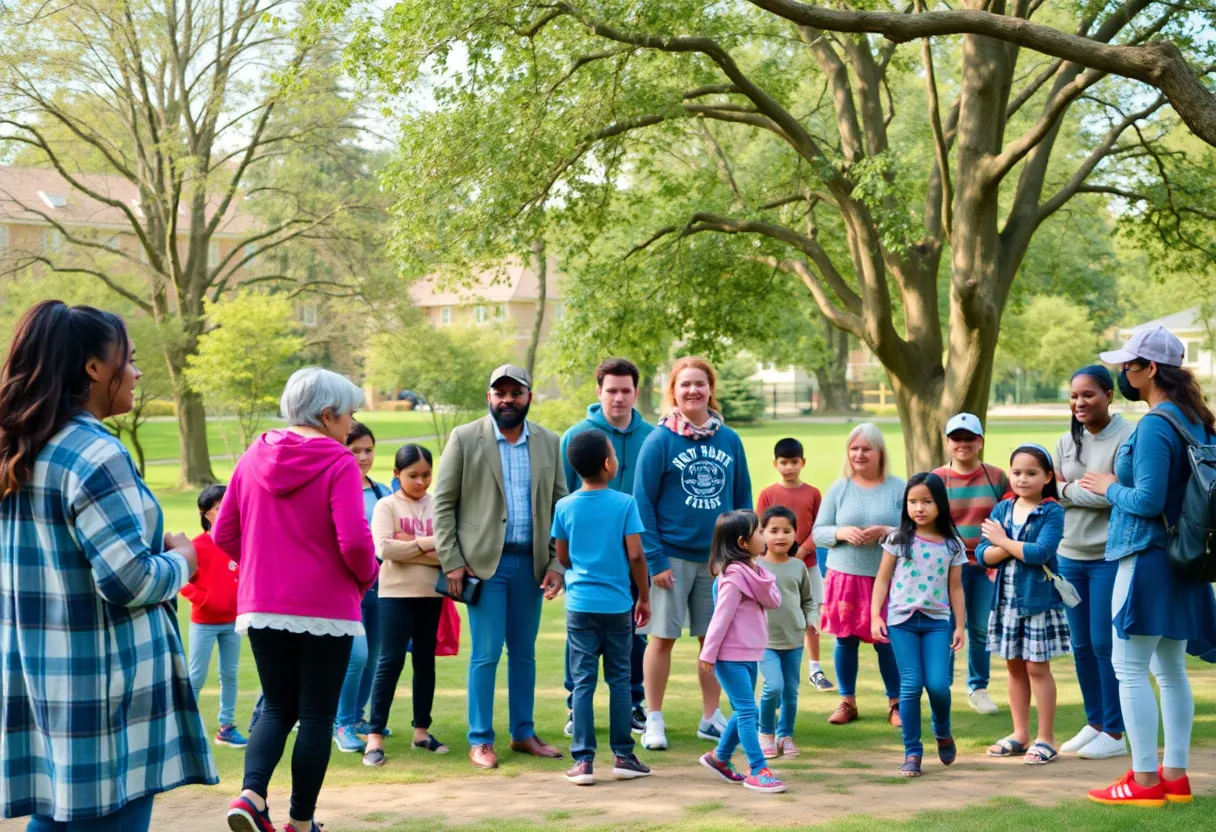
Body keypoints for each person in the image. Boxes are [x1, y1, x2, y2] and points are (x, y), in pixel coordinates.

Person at [0, 301, 217, 830]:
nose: (138, 372)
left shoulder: (23, 449)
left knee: (57, 818)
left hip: (45, 677)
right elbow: (129, 580)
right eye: (131, 359)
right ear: (94, 369)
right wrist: (183, 559)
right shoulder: (96, 455)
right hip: (106, 689)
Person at [216, 367, 379, 832]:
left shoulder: (252, 455)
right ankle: (300, 822)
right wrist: (367, 576)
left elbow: (225, 532)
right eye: (349, 415)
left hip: (262, 605)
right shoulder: (339, 461)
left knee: (276, 706)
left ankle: (250, 795)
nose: (352, 425)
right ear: (327, 414)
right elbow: (353, 541)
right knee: (316, 716)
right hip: (326, 607)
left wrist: (265, 566)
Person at [1083, 327, 1216, 807]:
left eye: (1129, 365)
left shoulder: (1158, 423)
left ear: (1150, 369)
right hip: (1186, 561)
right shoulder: (1197, 420)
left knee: (1129, 668)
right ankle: (1174, 777)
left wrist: (1106, 486)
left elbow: (1147, 499)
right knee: (1172, 669)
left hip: (1148, 558)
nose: (1124, 372)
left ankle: (1142, 781)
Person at [433, 363, 567, 770]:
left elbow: (561, 507)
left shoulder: (549, 441)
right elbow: (442, 504)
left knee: (524, 654)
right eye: (500, 393)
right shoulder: (464, 437)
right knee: (486, 654)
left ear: (529, 397)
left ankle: (523, 733)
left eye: (516, 392)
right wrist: (453, 561)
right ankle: (481, 740)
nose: (507, 399)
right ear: (490, 397)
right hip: (482, 568)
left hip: (530, 566)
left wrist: (556, 564)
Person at [634, 356, 752, 751]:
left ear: (710, 389)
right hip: (672, 558)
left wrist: (741, 555)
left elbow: (742, 500)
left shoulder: (729, 439)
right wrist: (656, 560)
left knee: (713, 642)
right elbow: (642, 504)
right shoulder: (660, 440)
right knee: (661, 638)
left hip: (719, 562)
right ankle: (653, 719)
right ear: (674, 391)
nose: (693, 391)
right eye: (685, 385)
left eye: (699, 384)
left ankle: (709, 717)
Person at [560, 358, 654, 737]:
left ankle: (633, 702)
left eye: (625, 391)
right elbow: (564, 497)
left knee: (636, 632)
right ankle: (575, 707)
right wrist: (562, 563)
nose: (618, 398)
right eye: (611, 390)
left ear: (636, 393)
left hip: (636, 554)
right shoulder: (577, 436)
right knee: (580, 636)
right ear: (599, 392)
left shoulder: (652, 436)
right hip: (589, 560)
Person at [555, 430, 653, 786]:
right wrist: (643, 596)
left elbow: (562, 556)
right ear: (609, 463)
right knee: (619, 680)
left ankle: (583, 761)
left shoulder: (564, 506)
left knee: (583, 682)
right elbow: (637, 554)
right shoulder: (625, 504)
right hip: (617, 606)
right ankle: (624, 755)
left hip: (580, 605)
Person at [1054, 366, 1134, 761]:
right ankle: (1096, 721)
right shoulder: (1065, 439)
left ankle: (1116, 733)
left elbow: (1116, 494)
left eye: (1088, 395)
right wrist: (1075, 489)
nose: (1080, 403)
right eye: (1073, 396)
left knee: (1105, 643)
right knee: (1081, 644)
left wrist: (1070, 490)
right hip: (1070, 557)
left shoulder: (1128, 435)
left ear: (1108, 395)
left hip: (1107, 556)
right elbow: (1053, 490)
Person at [977, 444, 1069, 766]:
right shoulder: (1003, 509)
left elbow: (1040, 553)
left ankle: (1046, 738)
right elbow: (981, 555)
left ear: (1047, 477)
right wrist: (1004, 546)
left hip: (1037, 602)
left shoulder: (1052, 511)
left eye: (1032, 473)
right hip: (1005, 601)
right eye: (1017, 472)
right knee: (1014, 666)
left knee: (1036, 667)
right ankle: (1020, 735)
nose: (1022, 479)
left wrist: (1002, 542)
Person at [871, 473, 967, 778]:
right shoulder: (898, 539)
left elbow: (956, 589)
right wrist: (875, 615)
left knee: (938, 685)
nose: (919, 508)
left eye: (926, 501)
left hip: (938, 623)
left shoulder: (952, 545)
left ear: (940, 503)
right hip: (902, 622)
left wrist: (959, 626)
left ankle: (942, 730)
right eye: (913, 502)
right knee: (911, 686)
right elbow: (882, 579)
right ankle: (912, 752)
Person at [812, 423, 904, 726]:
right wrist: (841, 532)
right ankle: (847, 702)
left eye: (866, 448)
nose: (859, 454)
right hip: (845, 577)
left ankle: (896, 704)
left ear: (880, 452)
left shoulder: (897, 488)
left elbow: (915, 531)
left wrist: (888, 532)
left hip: (884, 578)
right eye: (854, 448)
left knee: (886, 641)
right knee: (845, 641)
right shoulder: (840, 488)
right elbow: (818, 533)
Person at [362, 444, 448, 767]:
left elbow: (450, 551)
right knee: (391, 660)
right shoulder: (385, 506)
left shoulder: (439, 505)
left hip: (431, 594)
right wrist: (429, 545)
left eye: (427, 474)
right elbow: (384, 549)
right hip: (395, 594)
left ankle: (421, 732)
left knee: (425, 661)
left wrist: (409, 546)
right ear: (397, 474)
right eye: (413, 475)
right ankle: (374, 736)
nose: (421, 482)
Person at [697, 511, 785, 793]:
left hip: (750, 654)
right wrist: (708, 654)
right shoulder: (733, 578)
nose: (766, 536)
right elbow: (720, 618)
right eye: (760, 531)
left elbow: (774, 600)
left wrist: (762, 573)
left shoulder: (755, 573)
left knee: (745, 708)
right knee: (748, 711)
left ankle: (719, 758)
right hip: (729, 656)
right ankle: (758, 769)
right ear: (743, 542)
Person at [930, 412, 1009, 717]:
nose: (962, 444)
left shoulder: (997, 476)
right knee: (946, 626)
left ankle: (978, 687)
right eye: (956, 438)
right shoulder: (936, 478)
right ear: (948, 443)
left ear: (980, 442)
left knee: (978, 628)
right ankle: (942, 687)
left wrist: (997, 558)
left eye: (969, 438)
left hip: (984, 566)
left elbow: (1006, 520)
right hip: (948, 567)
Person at [334, 422, 393, 753]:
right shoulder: (335, 489)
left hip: (382, 587)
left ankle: (357, 718)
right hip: (346, 589)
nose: (362, 457)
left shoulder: (383, 492)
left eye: (368, 450)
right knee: (355, 657)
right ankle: (341, 722)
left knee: (374, 657)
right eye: (354, 450)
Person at [756, 438, 831, 692]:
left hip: (807, 564)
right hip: (774, 568)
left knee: (810, 616)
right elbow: (761, 528)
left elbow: (819, 527)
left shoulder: (813, 493)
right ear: (775, 463)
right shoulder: (768, 493)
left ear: (803, 462)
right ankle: (769, 662)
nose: (789, 467)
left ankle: (815, 669)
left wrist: (803, 550)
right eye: (784, 462)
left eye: (794, 462)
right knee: (777, 613)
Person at [183, 484, 247, 749]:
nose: (228, 512)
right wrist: (205, 600)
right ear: (206, 513)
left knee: (230, 674)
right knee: (196, 676)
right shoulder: (195, 546)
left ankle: (226, 727)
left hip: (233, 621)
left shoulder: (239, 540)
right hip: (204, 623)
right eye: (221, 508)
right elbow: (182, 581)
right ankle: (185, 730)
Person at [756, 506, 817, 760]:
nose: (780, 536)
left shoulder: (798, 566)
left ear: (795, 534)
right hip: (764, 641)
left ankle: (785, 735)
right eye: (773, 531)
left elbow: (808, 600)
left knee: (791, 691)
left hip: (794, 640)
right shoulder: (755, 565)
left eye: (787, 531)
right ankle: (765, 733)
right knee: (773, 687)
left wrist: (811, 619)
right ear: (761, 533)